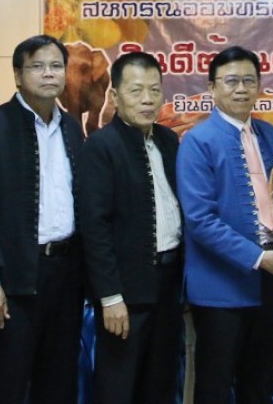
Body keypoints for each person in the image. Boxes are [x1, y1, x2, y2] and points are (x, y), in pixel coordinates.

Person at [176, 46, 273, 404]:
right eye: (231, 81)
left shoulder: (267, 133)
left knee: (260, 382)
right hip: (220, 283)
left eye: (249, 80)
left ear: (259, 86)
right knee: (215, 385)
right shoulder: (198, 141)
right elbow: (200, 220)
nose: (241, 89)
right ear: (212, 87)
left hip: (268, 278)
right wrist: (256, 257)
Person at [0, 35, 85, 404]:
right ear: (17, 75)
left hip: (66, 276)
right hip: (12, 280)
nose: (48, 74)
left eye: (56, 66)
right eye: (37, 66)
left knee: (58, 383)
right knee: (7, 383)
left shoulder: (71, 128)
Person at [77, 51, 183, 404]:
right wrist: (110, 296)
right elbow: (94, 228)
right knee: (118, 388)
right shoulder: (101, 146)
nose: (147, 99)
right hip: (125, 293)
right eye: (136, 91)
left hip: (168, 287)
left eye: (155, 90)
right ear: (115, 95)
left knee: (160, 386)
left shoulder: (168, 141)